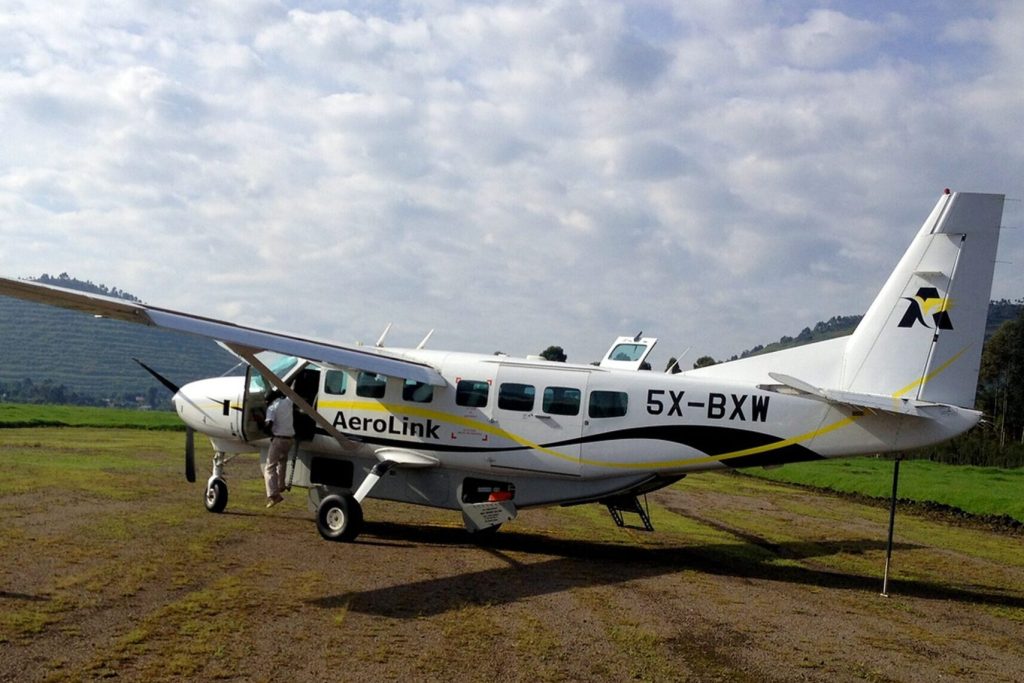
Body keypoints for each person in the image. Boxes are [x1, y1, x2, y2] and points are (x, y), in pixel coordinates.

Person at [263, 391, 295, 507]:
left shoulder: (272, 408)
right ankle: (281, 485)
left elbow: (269, 424)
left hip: (278, 439)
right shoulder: (287, 402)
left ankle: (274, 495)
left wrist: (264, 429)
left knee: (270, 467)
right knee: (282, 461)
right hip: (289, 440)